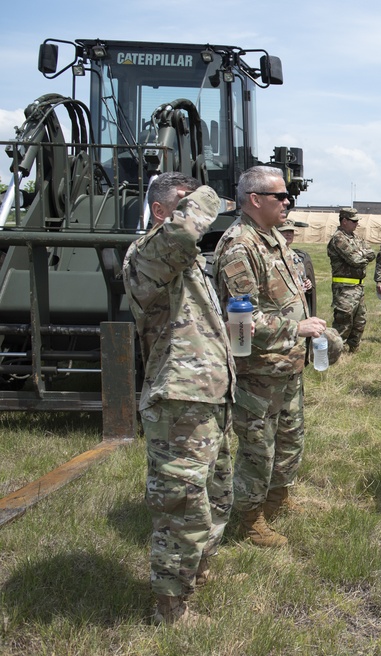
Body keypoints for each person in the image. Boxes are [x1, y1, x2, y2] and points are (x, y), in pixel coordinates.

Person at [123, 172, 234, 625]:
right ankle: (170, 607)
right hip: (178, 398)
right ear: (161, 211)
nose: (200, 211)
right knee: (181, 506)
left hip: (208, 397)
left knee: (216, 496)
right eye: (185, 202)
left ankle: (197, 573)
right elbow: (187, 229)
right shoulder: (145, 255)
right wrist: (211, 194)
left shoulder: (185, 261)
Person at [213, 165, 327, 548]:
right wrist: (297, 329)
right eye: (280, 196)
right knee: (258, 451)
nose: (288, 201)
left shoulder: (272, 238)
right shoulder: (239, 246)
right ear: (255, 200)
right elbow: (241, 318)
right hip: (257, 373)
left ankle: (277, 500)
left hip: (286, 366)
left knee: (290, 440)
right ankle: (250, 519)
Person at [327, 207, 376, 353]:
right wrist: (362, 254)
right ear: (344, 221)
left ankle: (353, 349)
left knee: (360, 320)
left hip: (358, 288)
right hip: (344, 287)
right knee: (343, 321)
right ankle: (335, 352)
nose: (356, 224)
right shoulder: (338, 238)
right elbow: (355, 260)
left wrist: (362, 255)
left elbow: (371, 253)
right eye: (353, 221)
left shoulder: (356, 238)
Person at [278, 223, 316, 316]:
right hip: (282, 310)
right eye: (285, 231)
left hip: (298, 309)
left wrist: (307, 283)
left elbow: (301, 277)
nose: (289, 234)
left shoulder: (294, 255)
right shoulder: (273, 254)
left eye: (291, 231)